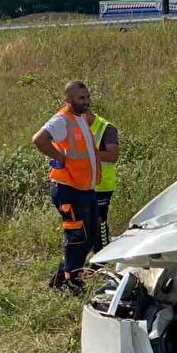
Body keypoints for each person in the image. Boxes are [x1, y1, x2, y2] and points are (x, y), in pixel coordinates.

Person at [32, 81, 101, 293]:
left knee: (90, 236)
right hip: (68, 188)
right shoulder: (62, 120)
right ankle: (71, 282)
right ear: (68, 100)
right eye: (81, 98)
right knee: (77, 237)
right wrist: (58, 156)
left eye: (88, 97)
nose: (86, 101)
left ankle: (62, 278)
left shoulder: (81, 118)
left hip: (84, 188)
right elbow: (39, 139)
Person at [88, 108, 120, 252]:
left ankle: (102, 257)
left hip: (102, 185)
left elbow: (113, 157)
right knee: (86, 222)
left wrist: (88, 153)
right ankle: (95, 253)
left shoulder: (106, 129)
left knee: (99, 221)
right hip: (83, 184)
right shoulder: (76, 128)